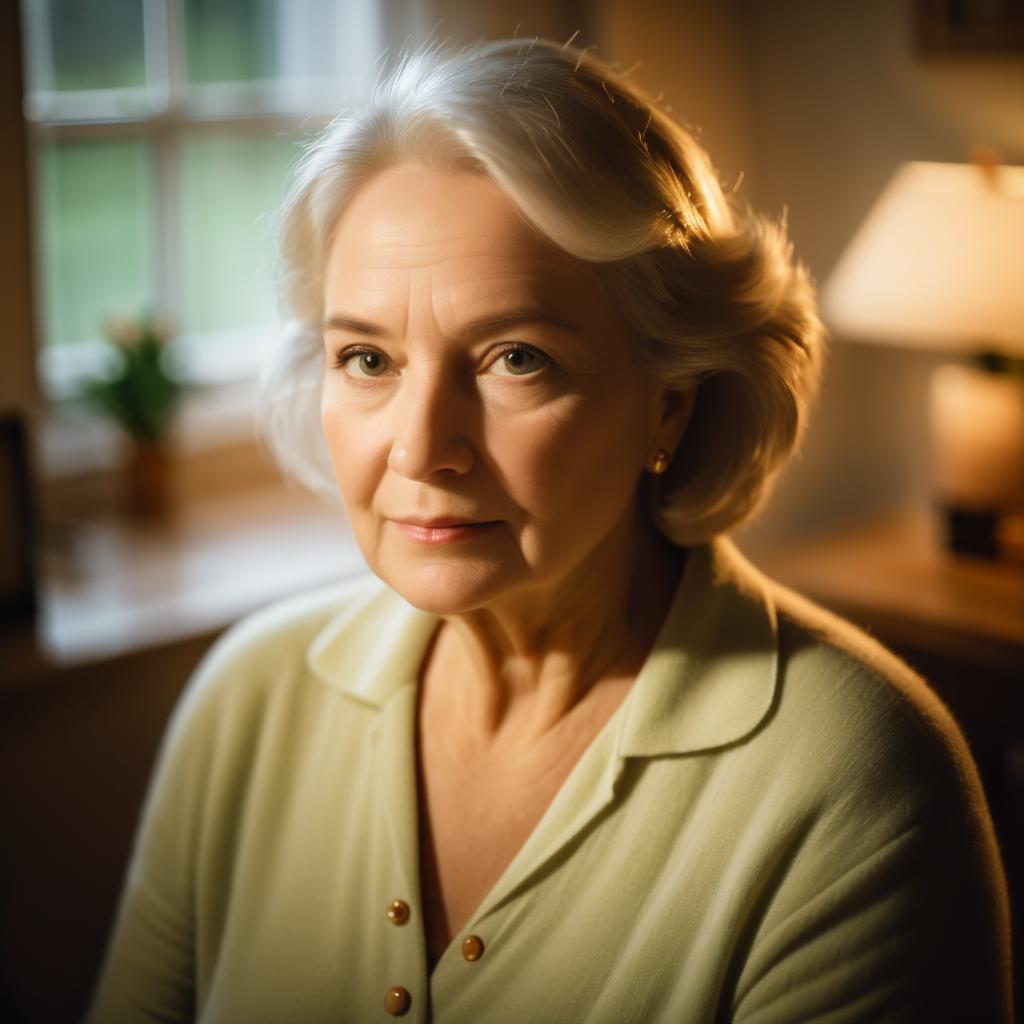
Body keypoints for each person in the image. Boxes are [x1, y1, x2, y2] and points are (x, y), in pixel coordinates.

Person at [86, 37, 1012, 1023]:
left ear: (671, 403)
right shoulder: (246, 703)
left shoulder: (857, 782)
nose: (421, 449)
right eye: (367, 358)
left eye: (514, 357)